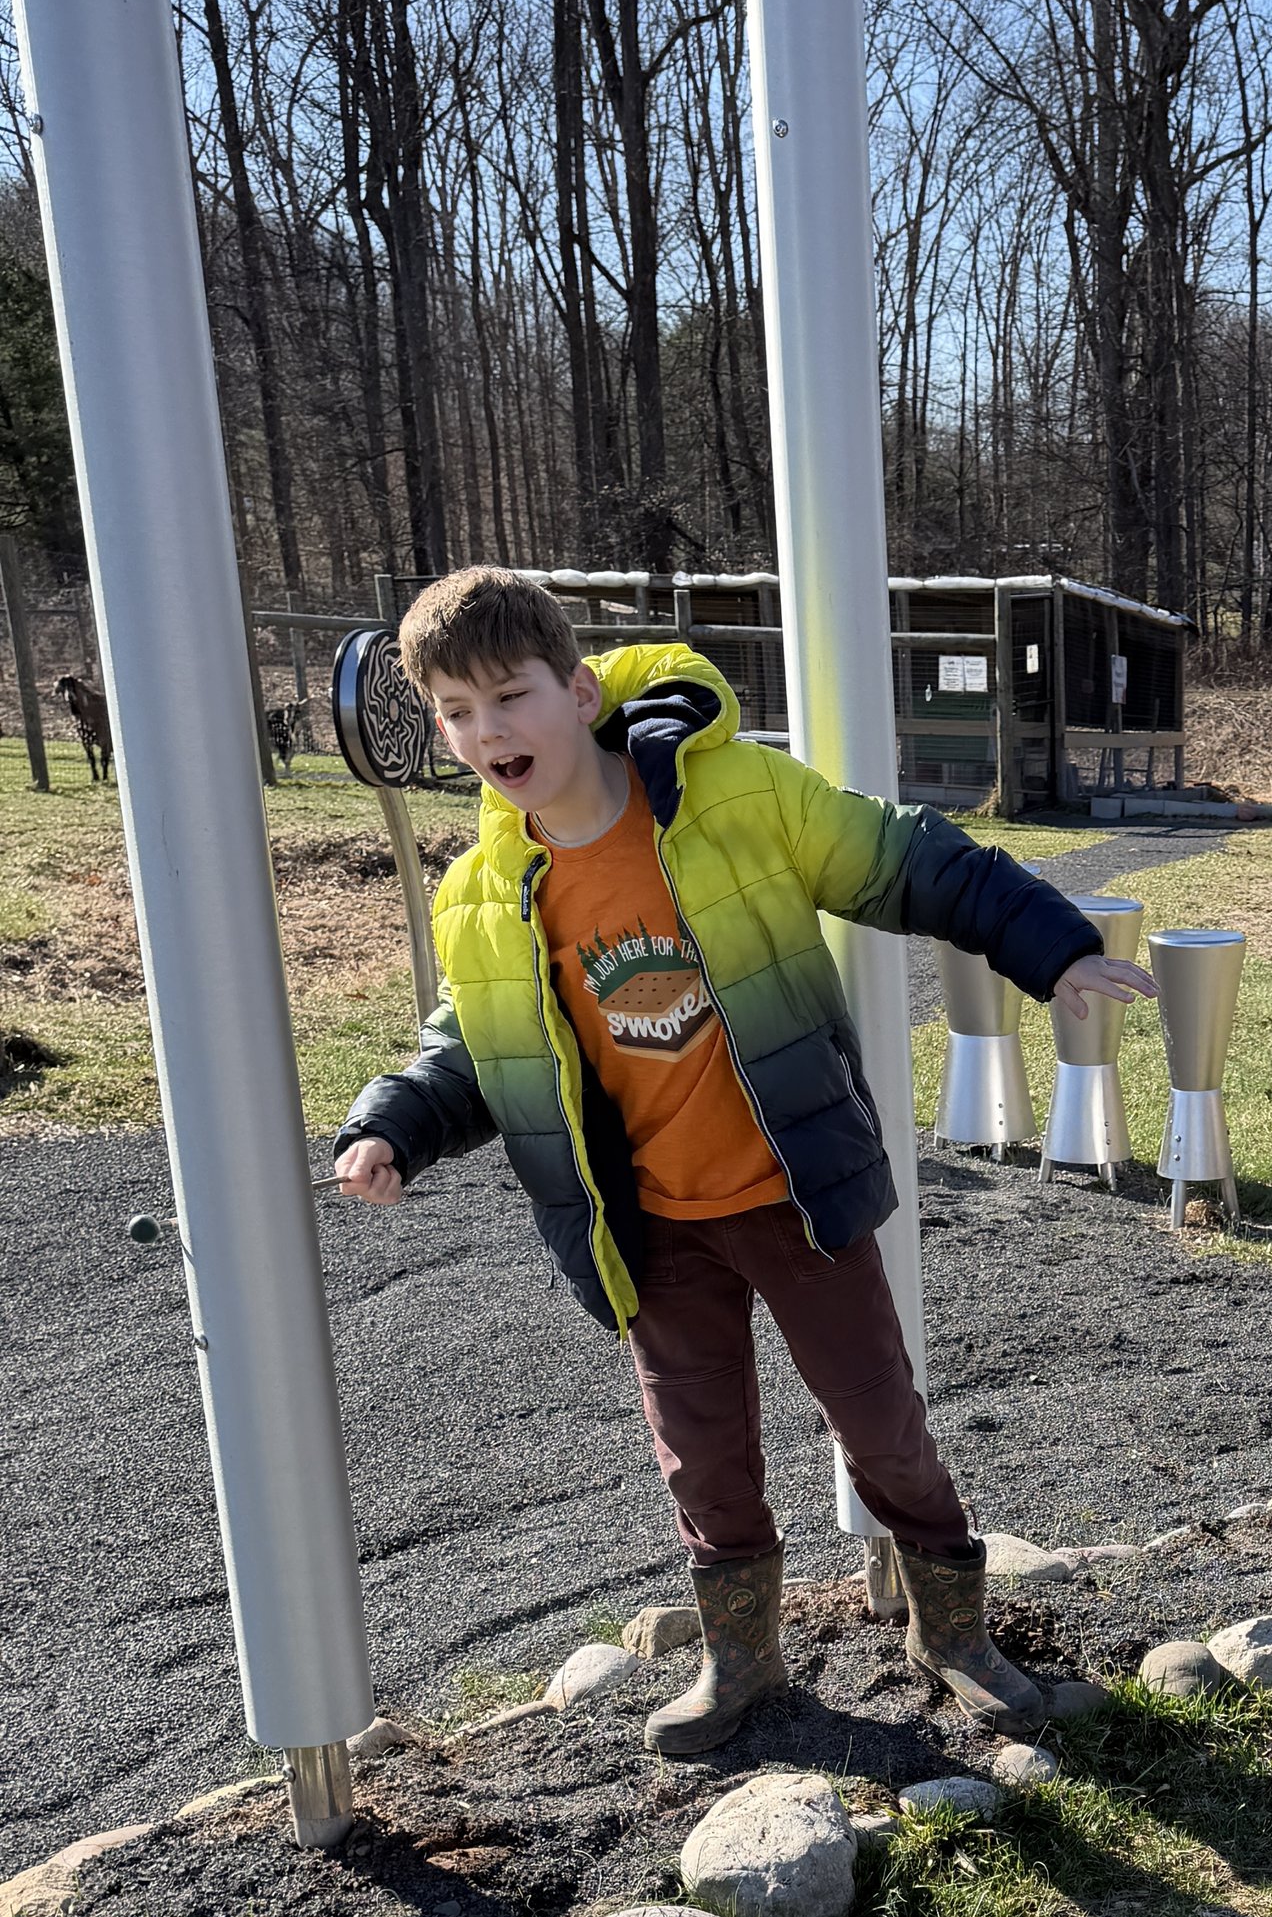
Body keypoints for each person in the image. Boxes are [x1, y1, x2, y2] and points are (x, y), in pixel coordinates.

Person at [333, 565, 1156, 1754]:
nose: (487, 731)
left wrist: (1053, 946)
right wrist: (392, 1127)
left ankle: (954, 1633)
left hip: (792, 1194)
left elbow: (904, 857)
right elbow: (472, 1045)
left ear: (578, 690)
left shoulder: (731, 795)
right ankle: (743, 1660)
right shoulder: (484, 892)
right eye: (456, 712)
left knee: (880, 1423)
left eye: (510, 696)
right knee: (702, 1457)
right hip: (649, 1225)